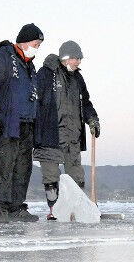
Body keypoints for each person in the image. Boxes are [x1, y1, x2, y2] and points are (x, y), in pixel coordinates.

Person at [0, 23, 44, 223]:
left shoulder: (30, 65)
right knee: (4, 165)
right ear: (25, 41)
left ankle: (16, 207)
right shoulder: (0, 56)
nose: (37, 48)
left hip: (27, 122)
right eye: (36, 43)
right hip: (6, 121)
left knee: (23, 167)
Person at [33, 41, 100, 220]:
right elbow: (36, 101)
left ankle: (76, 210)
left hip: (73, 136)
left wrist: (92, 119)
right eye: (76, 58)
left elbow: (85, 103)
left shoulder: (78, 79)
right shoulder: (46, 74)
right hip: (50, 135)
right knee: (51, 176)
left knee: (76, 176)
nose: (79, 62)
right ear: (65, 58)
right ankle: (54, 209)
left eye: (80, 59)